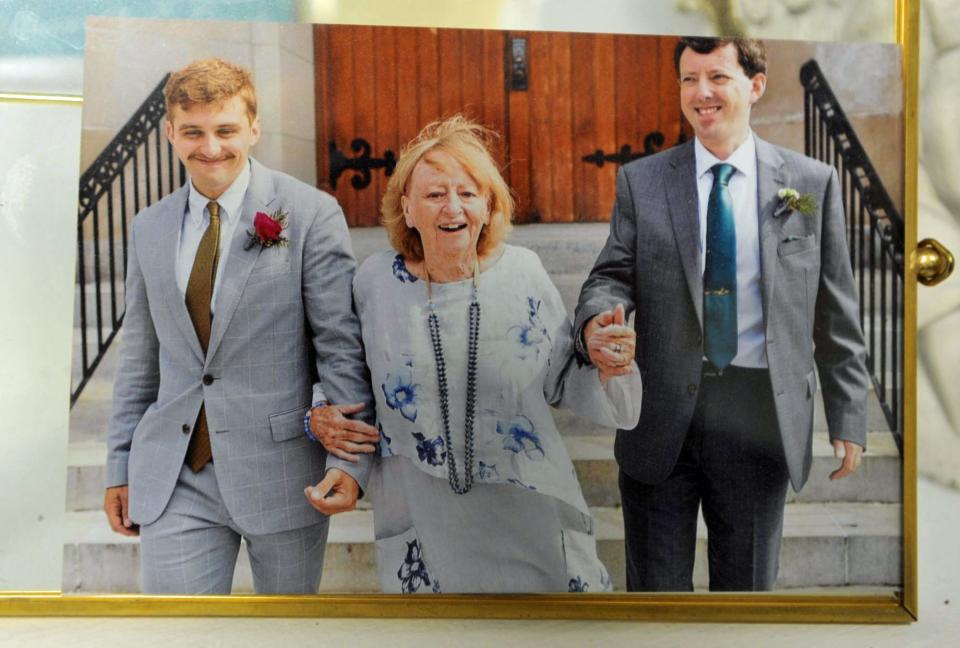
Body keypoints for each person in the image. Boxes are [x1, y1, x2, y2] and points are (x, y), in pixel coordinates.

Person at [574, 37, 870, 592]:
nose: (701, 93)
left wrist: (848, 415)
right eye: (689, 79)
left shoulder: (808, 185)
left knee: (746, 597)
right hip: (660, 416)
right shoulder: (644, 181)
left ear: (755, 86)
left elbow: (835, 309)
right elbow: (611, 274)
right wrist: (595, 320)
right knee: (656, 602)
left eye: (717, 77)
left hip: (759, 414)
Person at [305, 116, 641, 593]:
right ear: (407, 208)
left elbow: (563, 378)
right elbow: (349, 375)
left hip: (525, 510)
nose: (452, 207)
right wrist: (319, 412)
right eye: (435, 194)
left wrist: (610, 366)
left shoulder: (523, 272)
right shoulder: (374, 282)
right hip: (422, 519)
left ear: (488, 205)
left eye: (467, 192)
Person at [103, 57, 375, 594]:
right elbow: (139, 359)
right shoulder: (148, 228)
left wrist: (351, 463)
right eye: (193, 132)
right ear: (170, 134)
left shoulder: (310, 212)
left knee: (286, 635)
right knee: (182, 635)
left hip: (284, 473)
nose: (211, 148)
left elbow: (339, 347)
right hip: (175, 474)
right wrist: (119, 464)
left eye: (226, 130)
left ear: (253, 128)